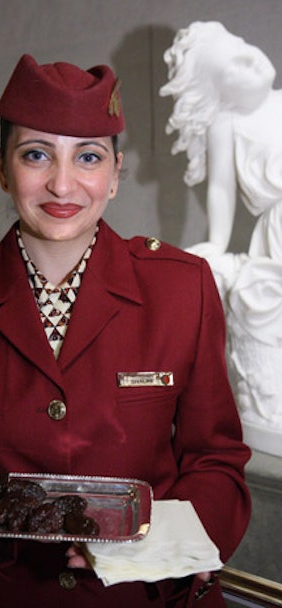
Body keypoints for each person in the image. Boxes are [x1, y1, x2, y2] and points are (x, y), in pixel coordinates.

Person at [0, 53, 250, 608]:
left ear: (114, 175)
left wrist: (169, 546)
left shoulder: (183, 289)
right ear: (1, 167)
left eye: (88, 157)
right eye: (37, 154)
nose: (63, 184)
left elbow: (216, 462)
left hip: (150, 596)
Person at [160, 21, 282, 440]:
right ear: (220, 93)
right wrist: (217, 241)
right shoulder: (225, 124)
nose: (251, 56)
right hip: (277, 235)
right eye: (233, 66)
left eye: (244, 43)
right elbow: (220, 189)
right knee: (263, 309)